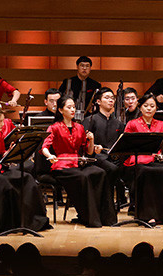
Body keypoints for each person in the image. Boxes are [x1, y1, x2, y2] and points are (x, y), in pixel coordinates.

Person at [0, 105, 51, 233]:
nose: (3, 124)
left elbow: (1, 154)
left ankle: (33, 220)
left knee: (27, 178)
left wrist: (10, 152)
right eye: (0, 121)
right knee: (6, 184)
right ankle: (9, 224)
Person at [40, 96, 114, 228]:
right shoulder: (54, 127)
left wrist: (92, 141)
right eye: (69, 107)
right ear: (61, 110)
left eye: (74, 107)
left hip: (77, 163)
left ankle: (105, 218)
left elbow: (89, 152)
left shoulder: (79, 127)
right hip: (62, 166)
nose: (73, 110)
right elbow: (45, 146)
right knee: (83, 177)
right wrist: (50, 155)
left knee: (100, 173)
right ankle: (87, 217)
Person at [122, 92, 163, 225]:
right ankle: (147, 214)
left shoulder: (162, 125)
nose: (149, 109)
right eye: (146, 106)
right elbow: (125, 145)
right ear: (140, 107)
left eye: (152, 106)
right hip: (138, 161)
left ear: (156, 108)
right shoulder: (132, 124)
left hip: (156, 161)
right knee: (145, 172)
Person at [83, 87, 127, 207]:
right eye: (107, 98)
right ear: (98, 101)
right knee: (112, 169)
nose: (110, 100)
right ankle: (107, 202)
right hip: (96, 157)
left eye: (112, 98)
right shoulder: (90, 120)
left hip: (113, 158)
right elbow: (84, 143)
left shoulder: (118, 123)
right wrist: (93, 146)